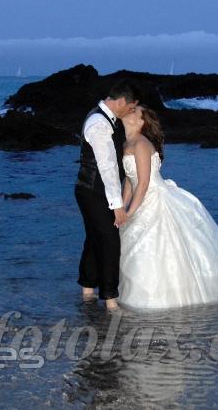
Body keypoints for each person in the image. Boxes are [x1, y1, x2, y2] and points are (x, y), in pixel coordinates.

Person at [117, 105, 218, 309]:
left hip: (153, 198)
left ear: (141, 122)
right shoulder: (127, 142)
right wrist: (120, 206)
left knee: (160, 249)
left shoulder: (141, 144)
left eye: (135, 111)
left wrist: (129, 212)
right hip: (140, 199)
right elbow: (129, 180)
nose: (130, 111)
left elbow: (143, 183)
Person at [75, 80, 140, 311]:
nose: (131, 111)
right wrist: (117, 205)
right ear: (121, 101)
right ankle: (110, 299)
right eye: (131, 107)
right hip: (95, 190)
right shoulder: (98, 123)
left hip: (89, 189)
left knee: (94, 237)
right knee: (111, 241)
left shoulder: (105, 118)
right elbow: (108, 167)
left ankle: (87, 289)